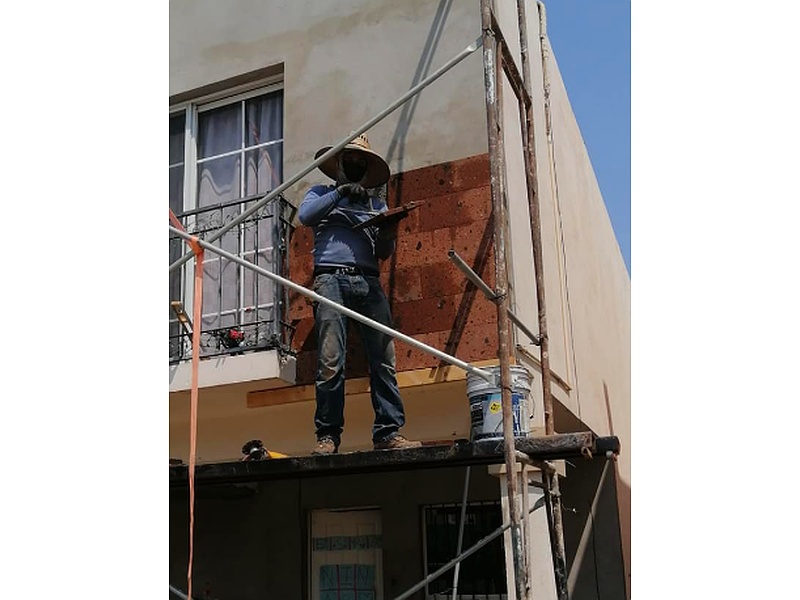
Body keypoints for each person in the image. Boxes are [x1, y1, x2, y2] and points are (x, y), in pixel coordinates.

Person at [299, 134, 422, 455]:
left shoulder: (375, 205)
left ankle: (387, 432)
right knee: (330, 361)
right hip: (330, 281)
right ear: (338, 164)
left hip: (368, 282)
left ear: (366, 168)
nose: (354, 165)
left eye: (360, 162)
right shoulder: (320, 194)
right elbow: (306, 217)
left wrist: (388, 230)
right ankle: (327, 435)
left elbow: (382, 251)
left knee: (383, 359)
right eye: (349, 160)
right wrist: (339, 194)